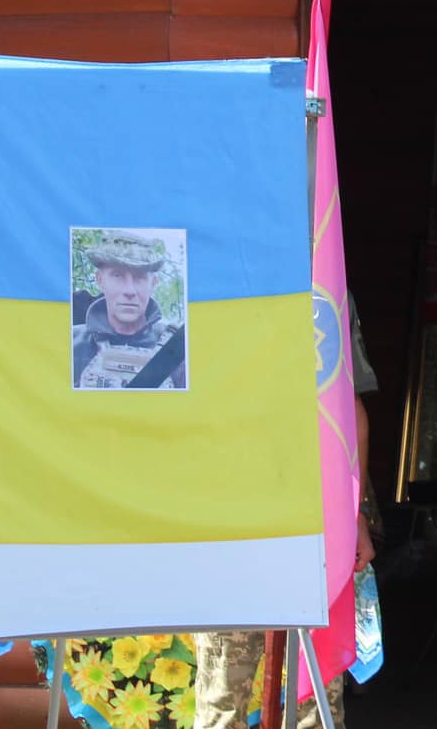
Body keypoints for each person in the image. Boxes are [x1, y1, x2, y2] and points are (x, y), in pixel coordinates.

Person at [193, 302, 377, 729]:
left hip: (312, 521)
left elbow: (350, 410)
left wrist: (355, 515)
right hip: (230, 522)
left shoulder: (324, 284)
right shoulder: (217, 277)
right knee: (225, 692)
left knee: (315, 691)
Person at [72, 233, 187, 390]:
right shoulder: (71, 343)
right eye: (117, 275)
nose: (129, 290)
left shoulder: (179, 348)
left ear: (153, 283)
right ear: (100, 280)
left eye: (139, 277)